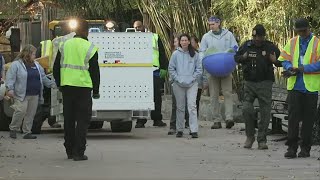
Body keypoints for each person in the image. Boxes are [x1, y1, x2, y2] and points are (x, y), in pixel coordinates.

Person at [53, 19, 100, 161]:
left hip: (67, 88)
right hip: (83, 89)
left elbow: (56, 68)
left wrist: (60, 84)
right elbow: (95, 72)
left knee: (69, 119)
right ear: (86, 31)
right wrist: (96, 90)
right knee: (82, 121)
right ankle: (78, 152)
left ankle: (69, 150)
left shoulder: (64, 45)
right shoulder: (90, 47)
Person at [279, 18, 320, 159]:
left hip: (311, 88)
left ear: (308, 29)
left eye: (303, 31)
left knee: (309, 120)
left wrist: (303, 69)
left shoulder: (317, 42)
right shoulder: (292, 42)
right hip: (295, 86)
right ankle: (291, 148)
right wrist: (289, 68)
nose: (301, 33)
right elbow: (284, 59)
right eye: (299, 31)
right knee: (293, 119)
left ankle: (305, 149)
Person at [234, 24, 281, 150]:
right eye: (255, 37)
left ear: (264, 37)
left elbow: (282, 61)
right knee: (246, 109)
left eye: (259, 37)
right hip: (249, 83)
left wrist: (275, 61)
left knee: (265, 112)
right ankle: (250, 136)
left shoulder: (270, 47)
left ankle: (262, 140)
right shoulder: (246, 45)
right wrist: (243, 58)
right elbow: (236, 57)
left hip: (265, 83)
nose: (257, 39)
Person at [5, 44, 56, 139]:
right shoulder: (16, 65)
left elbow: (43, 78)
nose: (35, 56)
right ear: (27, 54)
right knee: (20, 111)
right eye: (33, 54)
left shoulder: (37, 65)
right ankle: (13, 128)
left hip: (35, 94)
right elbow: (10, 78)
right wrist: (10, 88)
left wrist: (53, 84)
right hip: (21, 94)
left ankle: (27, 132)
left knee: (31, 114)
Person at [199, 15, 238, 130]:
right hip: (212, 69)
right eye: (209, 24)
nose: (211, 26)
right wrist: (203, 60)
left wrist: (232, 54)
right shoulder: (206, 37)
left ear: (218, 23)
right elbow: (202, 51)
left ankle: (229, 118)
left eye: (213, 24)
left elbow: (235, 47)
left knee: (227, 93)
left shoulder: (228, 35)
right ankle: (216, 120)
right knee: (214, 95)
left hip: (226, 68)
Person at [133, 20, 168, 128]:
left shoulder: (154, 37)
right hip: (139, 72)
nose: (137, 29)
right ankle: (140, 120)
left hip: (154, 71)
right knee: (140, 97)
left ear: (144, 26)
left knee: (156, 96)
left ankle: (157, 119)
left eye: (138, 27)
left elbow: (162, 53)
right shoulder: (131, 39)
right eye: (135, 28)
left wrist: (164, 68)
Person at [168, 33, 202, 138]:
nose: (184, 42)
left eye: (186, 40)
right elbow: (171, 69)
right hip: (178, 84)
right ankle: (179, 129)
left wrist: (192, 78)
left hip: (192, 84)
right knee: (180, 107)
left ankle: (194, 130)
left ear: (189, 42)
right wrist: (178, 79)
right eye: (182, 40)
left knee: (192, 106)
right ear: (179, 42)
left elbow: (199, 69)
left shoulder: (195, 54)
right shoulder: (175, 54)